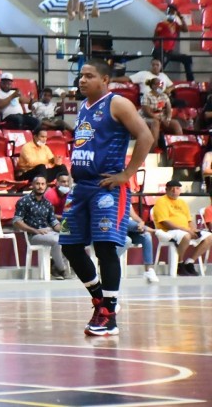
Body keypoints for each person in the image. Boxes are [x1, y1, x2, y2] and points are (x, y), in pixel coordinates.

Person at [60, 59, 153, 336]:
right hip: (81, 187)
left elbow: (146, 136)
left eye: (89, 76)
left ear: (104, 79)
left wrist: (127, 174)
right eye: (81, 75)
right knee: (70, 246)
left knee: (104, 248)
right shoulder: (83, 107)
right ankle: (100, 299)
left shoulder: (118, 103)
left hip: (107, 186)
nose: (82, 80)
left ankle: (109, 315)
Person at [14, 175, 69, 280]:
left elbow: (54, 222)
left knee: (68, 236)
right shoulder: (24, 201)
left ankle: (55, 267)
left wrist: (65, 230)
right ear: (32, 185)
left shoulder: (47, 203)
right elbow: (17, 221)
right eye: (38, 184)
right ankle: (62, 269)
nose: (40, 186)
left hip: (47, 233)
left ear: (46, 186)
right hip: (32, 235)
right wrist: (35, 230)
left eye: (43, 184)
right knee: (57, 240)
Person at [152, 180, 212, 276]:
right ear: (166, 190)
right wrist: (186, 230)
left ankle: (190, 262)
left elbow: (189, 220)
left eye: (177, 188)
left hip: (185, 230)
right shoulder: (161, 201)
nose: (174, 191)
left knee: (209, 237)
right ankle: (179, 264)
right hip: (168, 231)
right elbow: (165, 222)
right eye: (172, 189)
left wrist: (193, 229)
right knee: (186, 236)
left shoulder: (182, 202)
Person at [152, 4, 193, 81]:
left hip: (170, 52)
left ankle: (191, 81)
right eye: (169, 12)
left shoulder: (175, 25)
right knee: (159, 67)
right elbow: (154, 38)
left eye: (172, 12)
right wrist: (160, 46)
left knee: (187, 59)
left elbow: (185, 30)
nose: (170, 14)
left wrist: (180, 17)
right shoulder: (161, 24)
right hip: (161, 51)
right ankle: (156, 82)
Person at [139, 77, 181, 151]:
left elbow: (169, 109)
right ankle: (152, 148)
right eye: (158, 84)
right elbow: (147, 112)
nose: (161, 86)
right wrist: (160, 119)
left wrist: (168, 119)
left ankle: (178, 148)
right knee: (155, 123)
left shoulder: (164, 96)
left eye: (162, 84)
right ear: (153, 86)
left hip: (161, 118)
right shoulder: (146, 96)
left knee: (175, 123)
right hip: (147, 118)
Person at [125, 207, 159, 283]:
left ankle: (148, 271)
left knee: (147, 236)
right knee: (126, 222)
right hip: (119, 231)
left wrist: (141, 222)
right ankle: (154, 231)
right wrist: (139, 226)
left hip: (131, 231)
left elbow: (134, 216)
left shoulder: (126, 201)